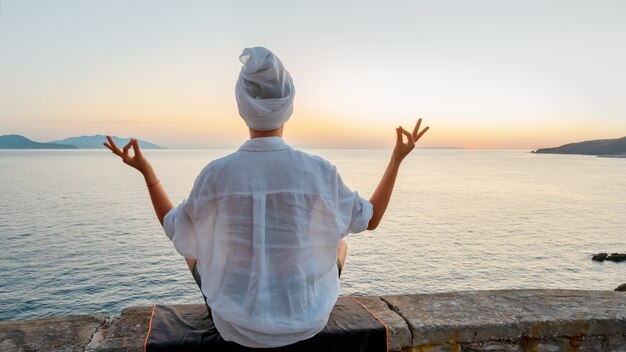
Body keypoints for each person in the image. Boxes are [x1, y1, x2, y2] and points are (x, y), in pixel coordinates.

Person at [104, 47, 429, 348]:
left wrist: (147, 172)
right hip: (308, 321)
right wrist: (397, 158)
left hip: (234, 326)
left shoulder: (215, 175)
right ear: (288, 106)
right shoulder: (319, 172)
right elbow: (370, 219)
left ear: (242, 107)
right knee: (341, 242)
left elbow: (173, 226)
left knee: (192, 247)